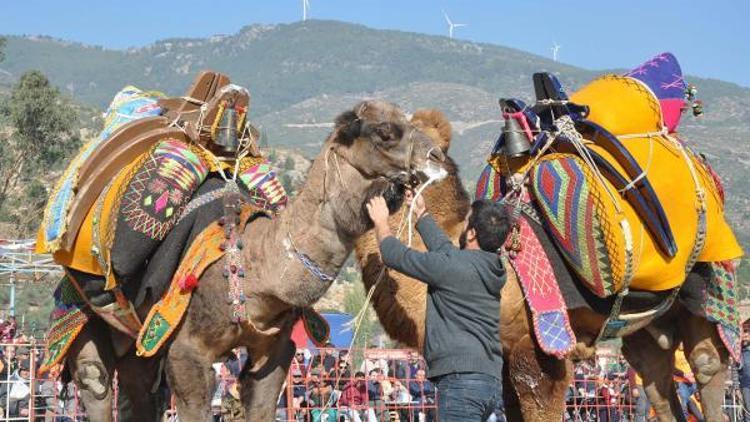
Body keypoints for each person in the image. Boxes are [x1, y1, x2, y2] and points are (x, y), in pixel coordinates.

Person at [366, 192, 510, 421]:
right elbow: (447, 251)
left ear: (471, 234)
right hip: (487, 380)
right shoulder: (490, 267)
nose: (464, 224)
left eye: (467, 221)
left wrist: (381, 222)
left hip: (460, 382)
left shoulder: (452, 267)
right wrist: (421, 214)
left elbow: (395, 255)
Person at [740, 328, 750, 422]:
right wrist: (735, 387)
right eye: (743, 337)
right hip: (746, 384)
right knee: (748, 409)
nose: (744, 339)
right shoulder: (739, 352)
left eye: (746, 336)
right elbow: (735, 370)